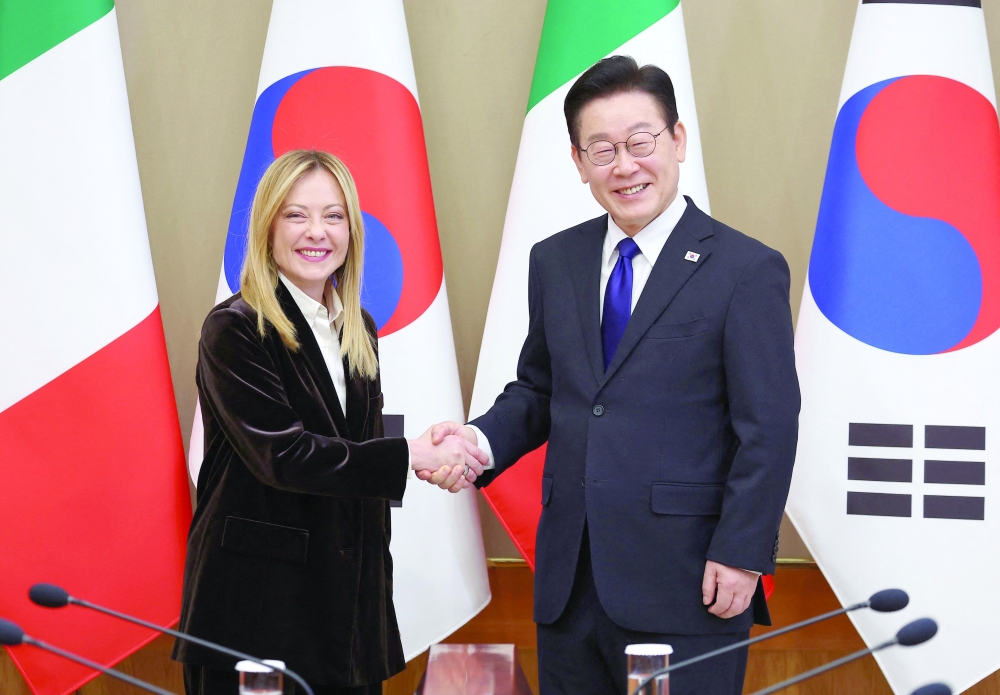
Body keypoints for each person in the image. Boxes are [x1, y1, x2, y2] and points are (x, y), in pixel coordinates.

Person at [426, 56, 800, 695]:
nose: (623, 165)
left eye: (640, 142)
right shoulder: (556, 260)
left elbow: (769, 426)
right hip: (571, 585)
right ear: (578, 162)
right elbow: (543, 389)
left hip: (688, 582)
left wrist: (741, 552)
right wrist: (477, 443)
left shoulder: (744, 269)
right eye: (601, 149)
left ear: (677, 141)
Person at [172, 149, 485, 695]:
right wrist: (410, 455)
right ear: (267, 225)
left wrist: (429, 449)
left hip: (345, 615)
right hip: (258, 615)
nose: (316, 232)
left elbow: (349, 450)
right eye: (296, 214)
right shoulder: (235, 328)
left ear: (352, 230)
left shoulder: (356, 326)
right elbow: (284, 455)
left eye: (334, 215)